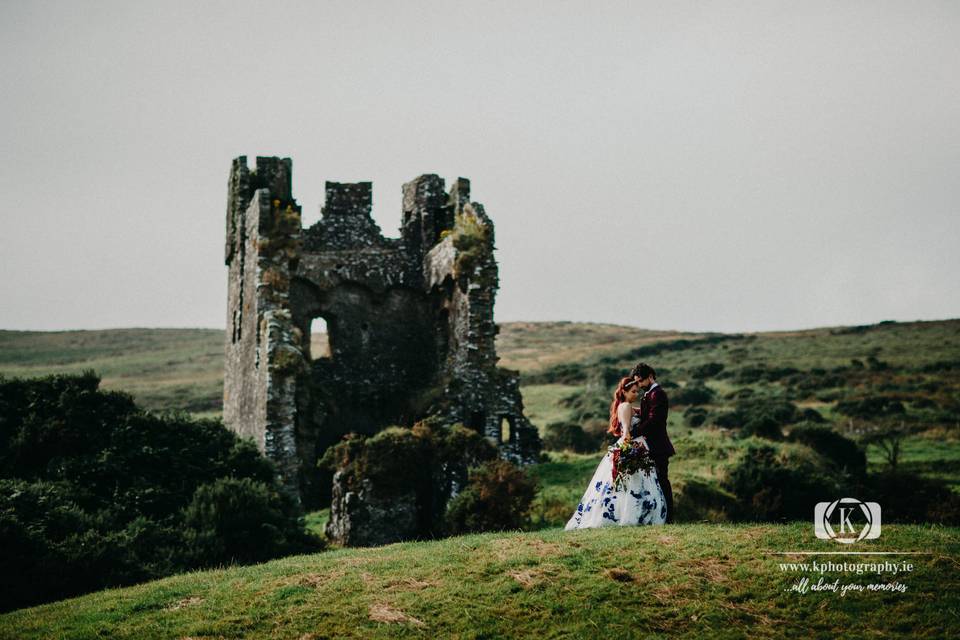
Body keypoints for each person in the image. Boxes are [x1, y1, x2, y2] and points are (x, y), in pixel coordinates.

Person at [564, 376, 667, 530]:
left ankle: (636, 514)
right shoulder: (625, 406)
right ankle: (629, 515)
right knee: (631, 484)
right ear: (624, 392)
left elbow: (647, 413)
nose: (636, 394)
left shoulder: (627, 406)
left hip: (638, 445)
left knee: (632, 484)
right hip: (632, 445)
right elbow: (626, 429)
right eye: (633, 391)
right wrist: (629, 448)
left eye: (637, 391)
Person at [630, 362, 675, 523]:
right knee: (654, 483)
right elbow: (647, 414)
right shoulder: (650, 394)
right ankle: (658, 516)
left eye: (641, 381)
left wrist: (633, 433)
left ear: (650, 377)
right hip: (651, 446)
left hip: (659, 446)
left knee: (662, 481)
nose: (639, 384)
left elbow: (654, 420)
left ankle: (668, 517)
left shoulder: (658, 394)